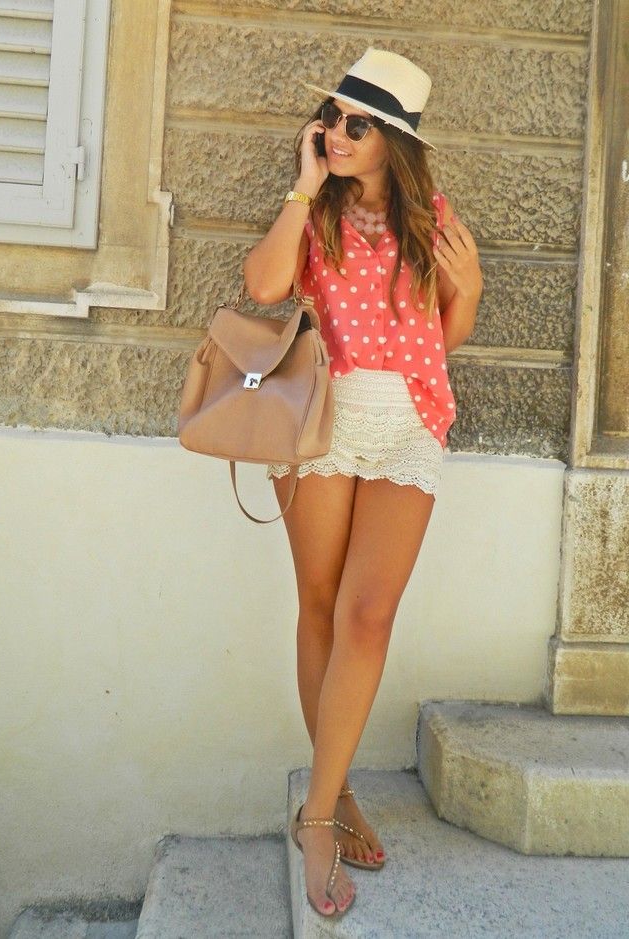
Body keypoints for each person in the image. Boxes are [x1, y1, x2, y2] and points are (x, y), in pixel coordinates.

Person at [243, 47, 482, 919]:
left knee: (368, 614)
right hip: (325, 417)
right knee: (320, 602)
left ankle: (322, 798)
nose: (336, 133)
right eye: (331, 118)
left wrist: (471, 288)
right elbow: (265, 285)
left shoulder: (434, 218)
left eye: (356, 124)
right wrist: (303, 185)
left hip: (408, 420)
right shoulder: (315, 209)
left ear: (394, 141)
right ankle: (328, 804)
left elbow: (441, 336)